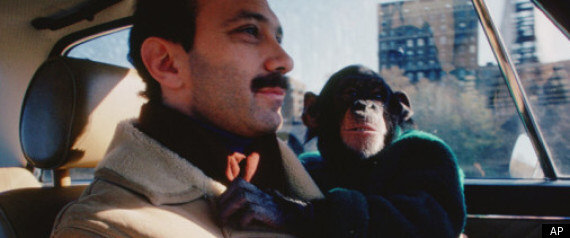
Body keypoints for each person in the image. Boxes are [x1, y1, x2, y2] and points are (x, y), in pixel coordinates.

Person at [51, 0, 323, 237]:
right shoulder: (98, 228)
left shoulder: (305, 173)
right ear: (166, 63)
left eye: (278, 38)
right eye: (250, 31)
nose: (285, 60)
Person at [217, 65, 466, 237]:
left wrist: (300, 215)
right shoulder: (310, 167)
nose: (365, 105)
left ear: (399, 110)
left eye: (377, 96)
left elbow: (434, 226)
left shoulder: (423, 151)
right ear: (313, 113)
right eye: (351, 94)